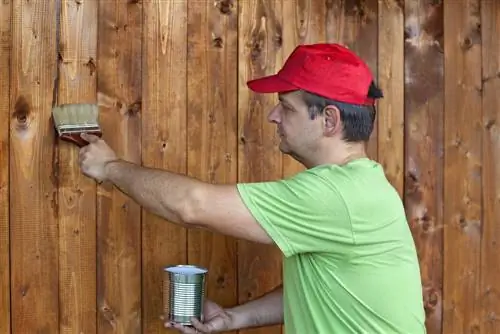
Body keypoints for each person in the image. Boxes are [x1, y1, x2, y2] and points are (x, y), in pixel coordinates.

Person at [78, 43, 426, 333]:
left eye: (287, 107)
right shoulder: (359, 186)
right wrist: (234, 318)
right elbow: (325, 291)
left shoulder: (335, 195)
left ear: (329, 120)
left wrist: (109, 167)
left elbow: (191, 206)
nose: (273, 116)